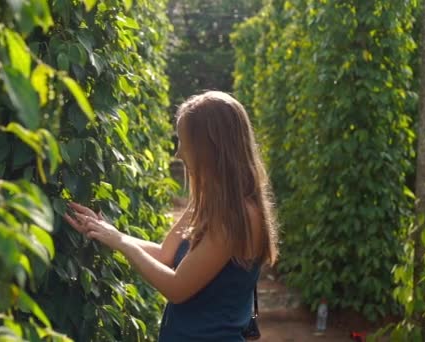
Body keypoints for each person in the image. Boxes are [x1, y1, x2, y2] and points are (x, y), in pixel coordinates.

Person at [64, 91, 279, 341]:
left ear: (208, 147)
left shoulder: (237, 215)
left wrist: (120, 242)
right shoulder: (207, 202)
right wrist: (105, 230)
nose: (178, 153)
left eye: (183, 142)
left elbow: (177, 288)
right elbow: (165, 255)